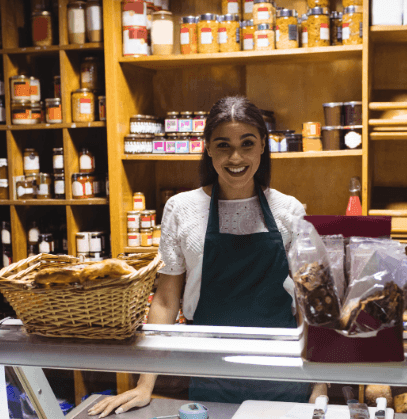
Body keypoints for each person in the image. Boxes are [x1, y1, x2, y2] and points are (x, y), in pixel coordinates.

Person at [88, 96, 327, 418]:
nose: (236, 157)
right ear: (207, 148)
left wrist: (320, 385)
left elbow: (305, 302)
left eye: (247, 143)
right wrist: (145, 384)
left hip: (281, 369)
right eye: (223, 145)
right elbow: (165, 301)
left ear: (262, 147)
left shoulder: (289, 211)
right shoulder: (181, 208)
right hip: (210, 368)